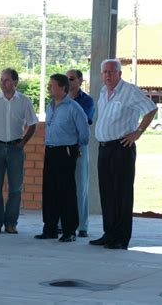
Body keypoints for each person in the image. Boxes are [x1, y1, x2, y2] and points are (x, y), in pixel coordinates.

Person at [90, 59, 157, 250]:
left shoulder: (130, 91)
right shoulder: (103, 92)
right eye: (105, 72)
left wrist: (138, 132)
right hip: (104, 147)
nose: (108, 76)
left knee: (122, 193)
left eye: (111, 72)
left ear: (119, 73)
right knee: (107, 193)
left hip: (121, 147)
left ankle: (121, 238)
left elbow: (151, 109)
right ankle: (109, 233)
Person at [0, 68, 38, 234]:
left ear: (15, 82)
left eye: (6, 80)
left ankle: (11, 223)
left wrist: (23, 143)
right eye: (1, 80)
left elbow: (33, 124)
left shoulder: (24, 101)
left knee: (15, 189)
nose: (2, 83)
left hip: (15, 149)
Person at [35, 74, 89, 243]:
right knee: (50, 191)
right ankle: (50, 228)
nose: (49, 88)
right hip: (50, 150)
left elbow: (84, 134)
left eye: (52, 85)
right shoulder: (50, 106)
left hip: (66, 151)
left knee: (66, 192)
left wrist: (75, 149)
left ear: (62, 87)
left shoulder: (74, 108)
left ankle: (69, 231)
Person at [66, 69, 94, 238]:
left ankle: (82, 225)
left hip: (79, 146)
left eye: (72, 79)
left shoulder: (87, 101)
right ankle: (63, 223)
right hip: (63, 147)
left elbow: (84, 121)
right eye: (66, 79)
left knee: (80, 186)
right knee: (63, 186)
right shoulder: (58, 100)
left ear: (80, 81)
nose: (69, 82)